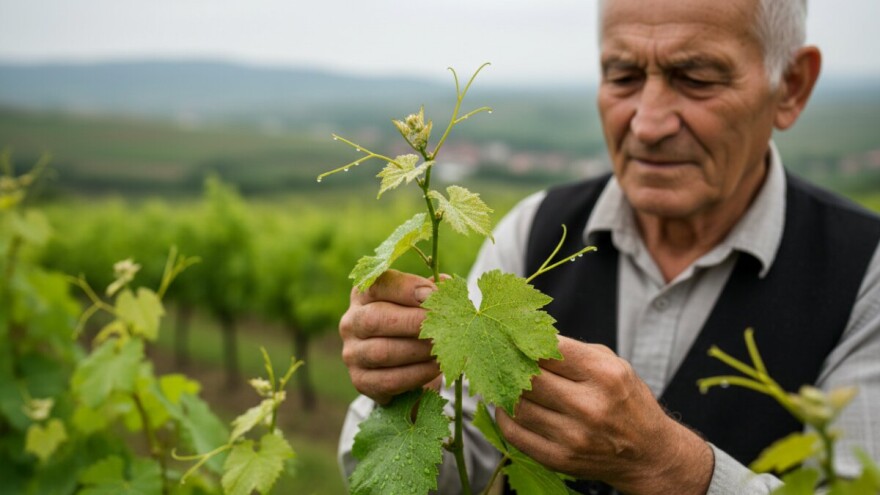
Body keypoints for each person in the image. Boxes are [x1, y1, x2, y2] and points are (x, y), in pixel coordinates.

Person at [337, 0, 880, 493]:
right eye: (622, 75)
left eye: (694, 78)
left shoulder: (865, 273)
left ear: (791, 86)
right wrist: (404, 394)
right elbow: (454, 473)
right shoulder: (533, 232)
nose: (647, 123)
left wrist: (671, 467)